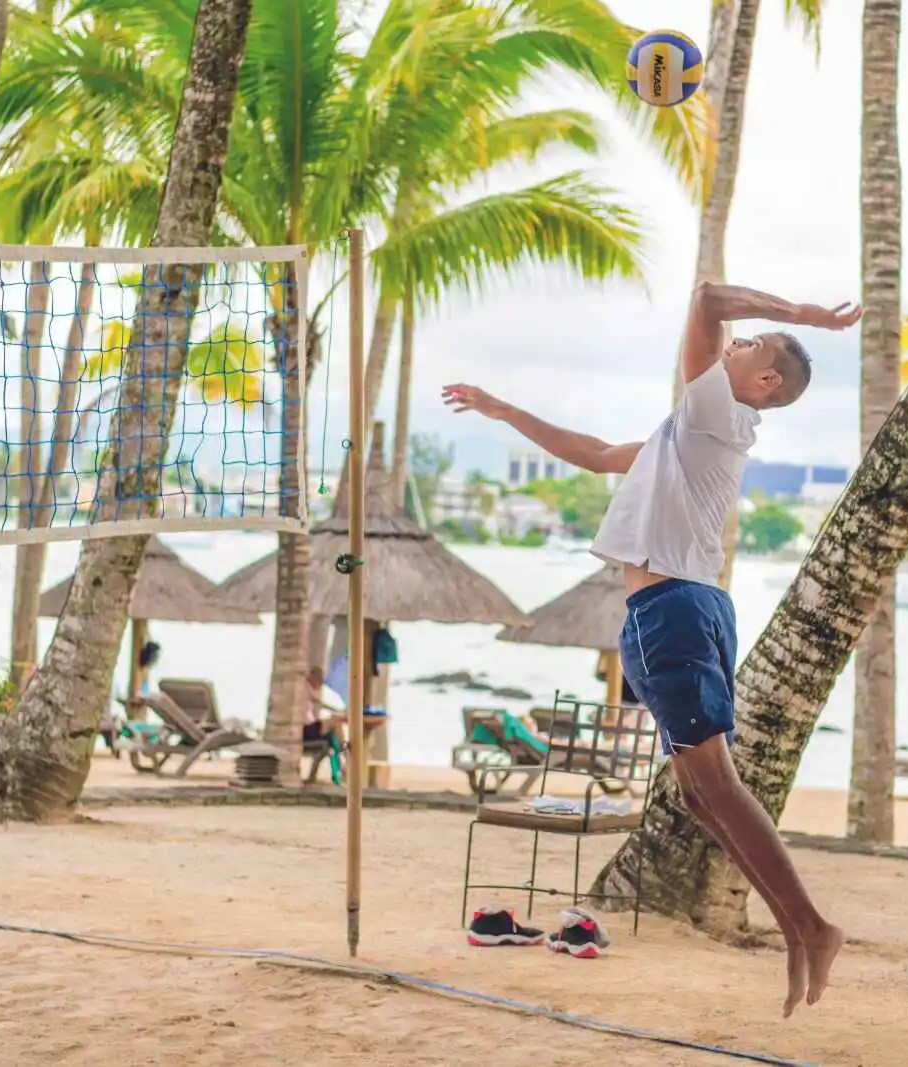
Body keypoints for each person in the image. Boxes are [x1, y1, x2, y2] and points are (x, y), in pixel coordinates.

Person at [443, 281, 862, 1017]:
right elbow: (597, 453)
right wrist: (503, 410)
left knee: (717, 787)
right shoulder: (693, 431)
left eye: (752, 345)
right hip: (672, 609)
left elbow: (707, 300)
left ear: (765, 381)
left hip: (673, 609)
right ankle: (800, 928)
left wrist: (803, 318)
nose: (735, 342)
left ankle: (813, 925)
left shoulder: (716, 411)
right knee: (700, 796)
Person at [304, 665, 344, 745]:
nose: (321, 684)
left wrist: (337, 710)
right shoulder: (305, 687)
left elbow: (320, 703)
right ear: (314, 678)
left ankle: (341, 747)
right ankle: (342, 747)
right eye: (320, 681)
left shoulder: (309, 690)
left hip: (311, 725)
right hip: (306, 729)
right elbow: (318, 701)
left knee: (336, 721)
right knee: (335, 722)